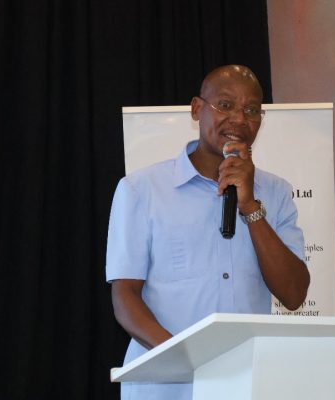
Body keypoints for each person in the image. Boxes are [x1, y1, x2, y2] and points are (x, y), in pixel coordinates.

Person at [106, 65, 310, 399]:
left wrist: (250, 207)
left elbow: (293, 294)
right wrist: (188, 362)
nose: (239, 119)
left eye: (251, 110)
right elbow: (125, 296)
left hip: (247, 384)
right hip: (166, 387)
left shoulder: (276, 193)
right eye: (225, 105)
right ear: (197, 109)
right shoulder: (142, 189)